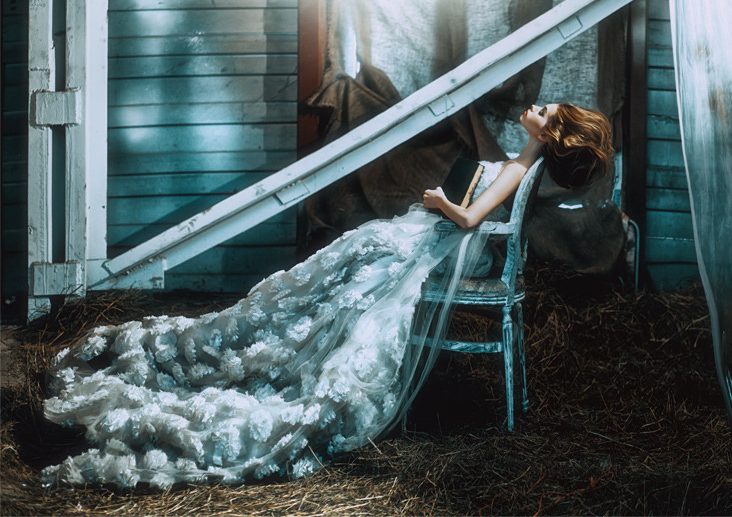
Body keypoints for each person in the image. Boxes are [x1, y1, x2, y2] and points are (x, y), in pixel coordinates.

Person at [41, 103, 613, 488]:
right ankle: (289, 322)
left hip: (433, 236)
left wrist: (439, 201)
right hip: (424, 234)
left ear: (547, 134)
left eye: (545, 112)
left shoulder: (518, 167)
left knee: (358, 254)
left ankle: (293, 334)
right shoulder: (517, 161)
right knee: (355, 252)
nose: (534, 109)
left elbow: (469, 219)